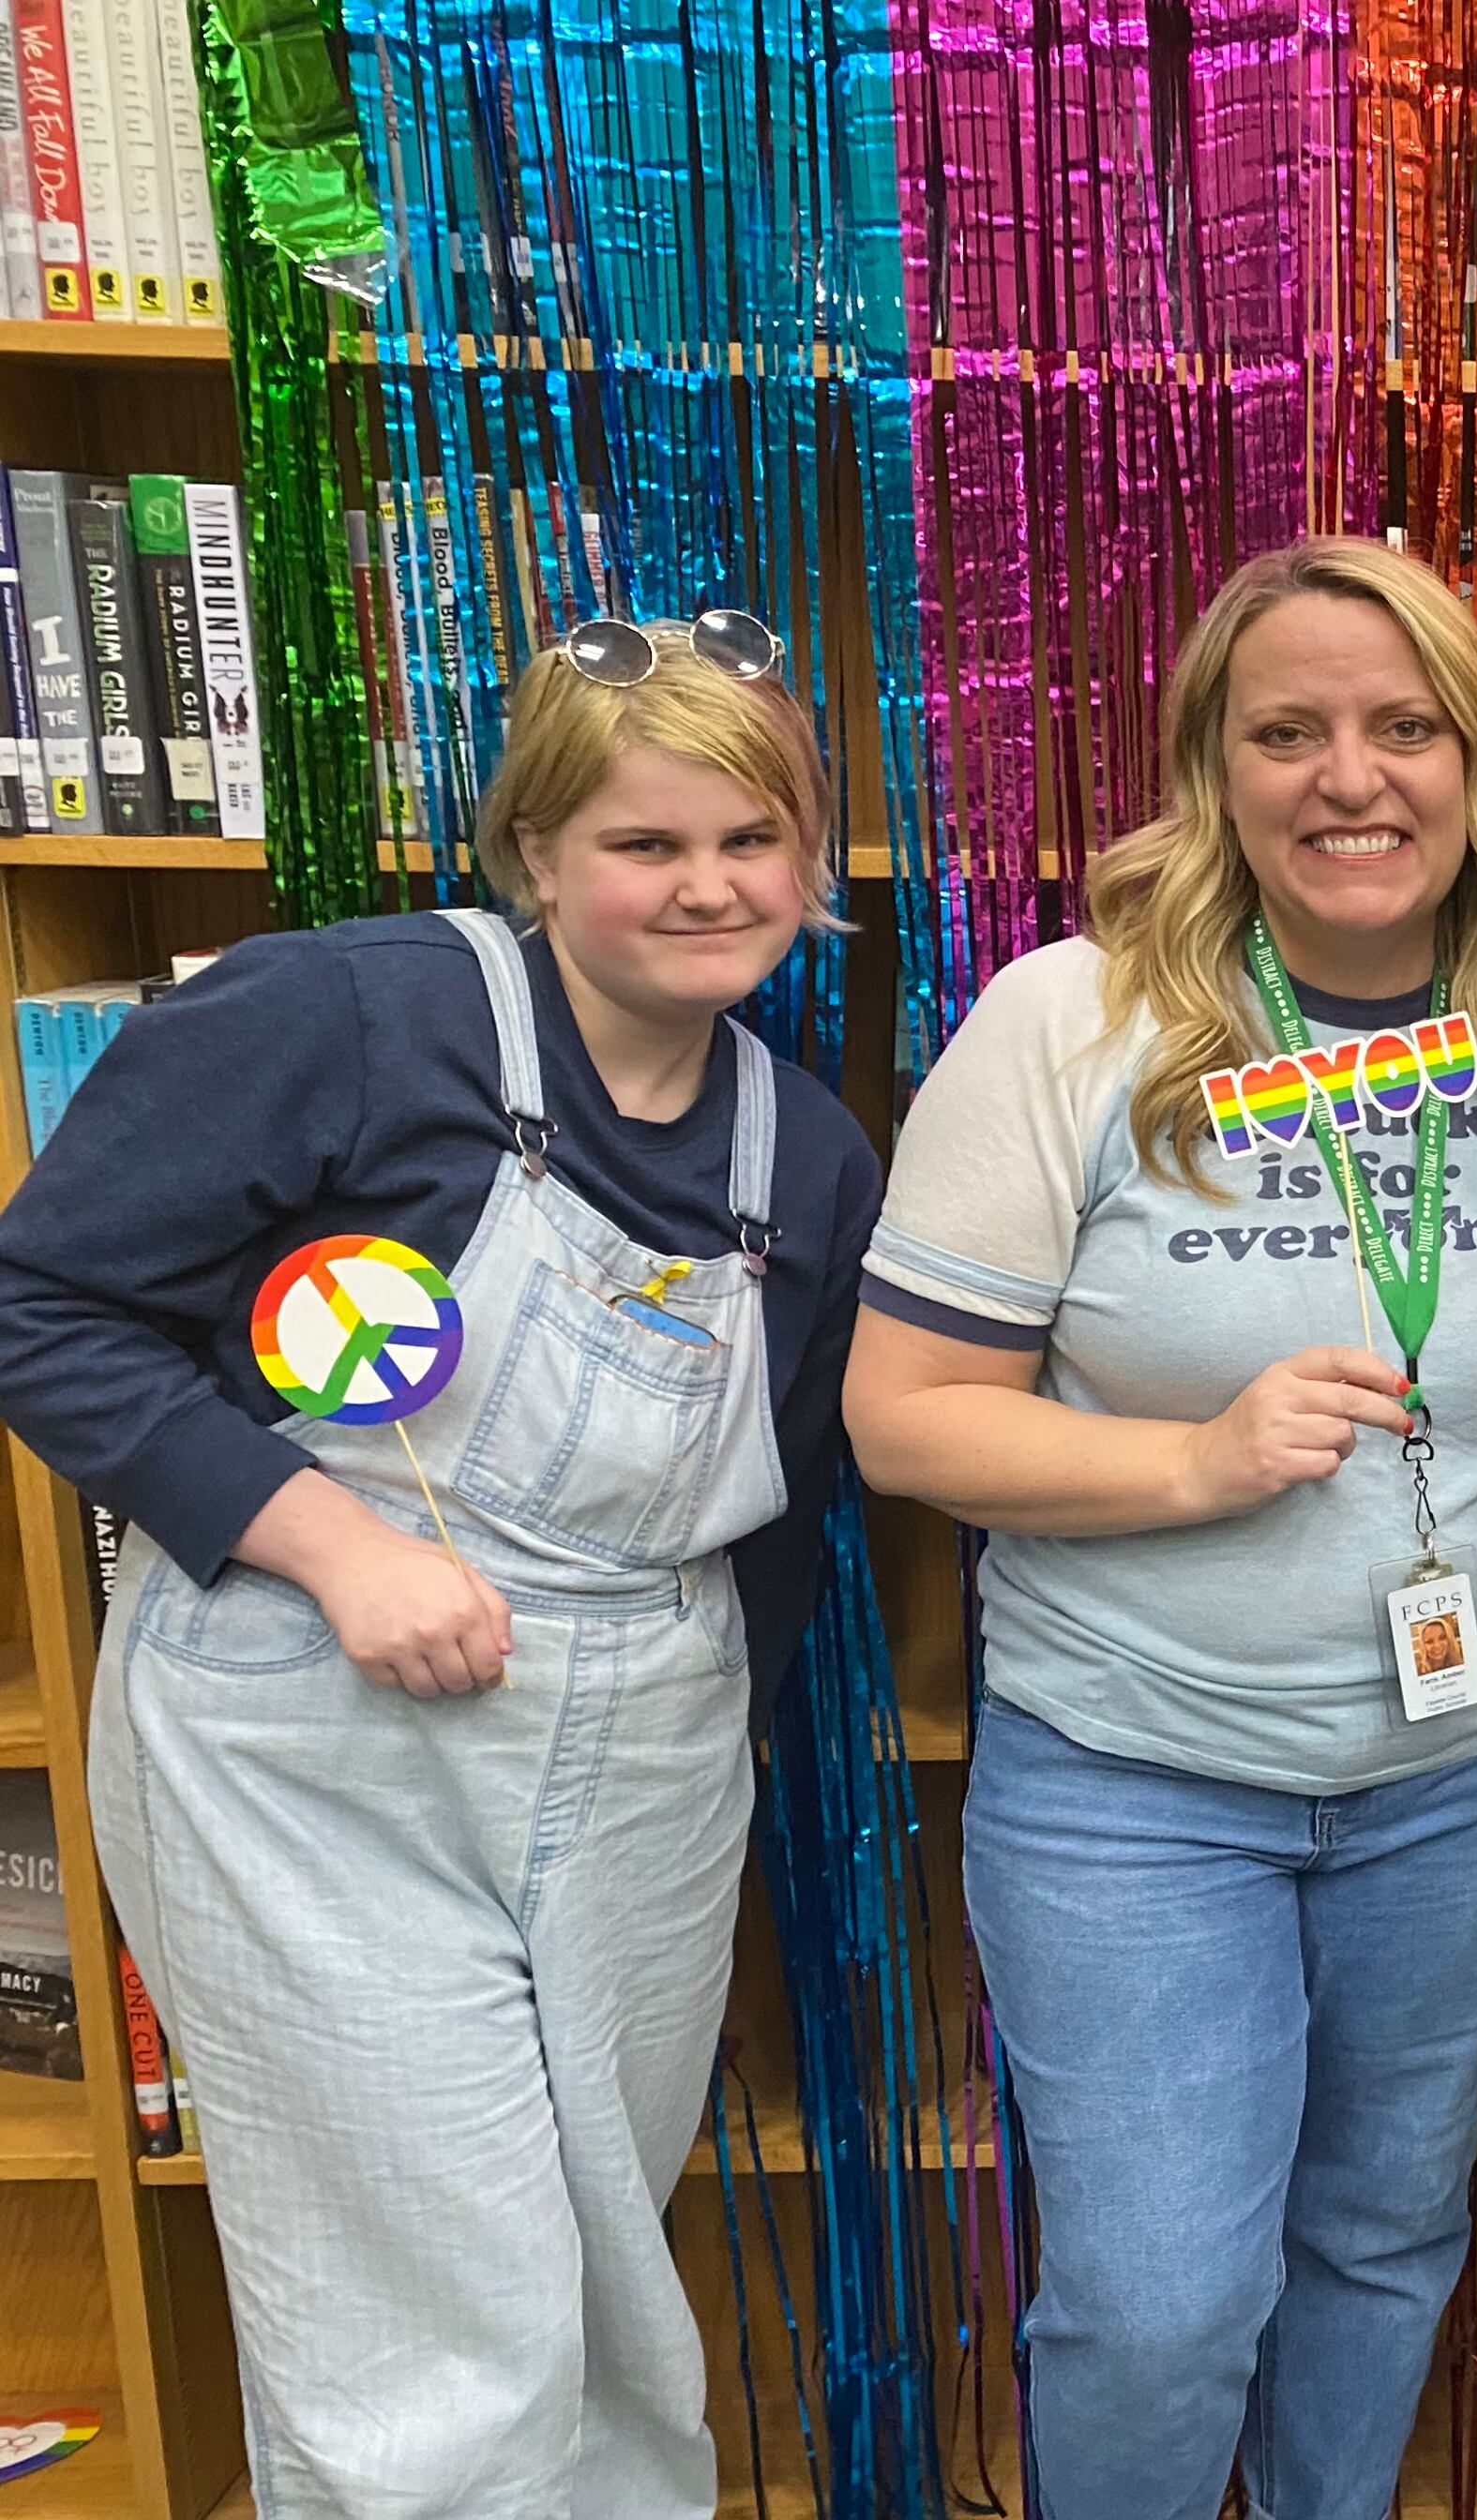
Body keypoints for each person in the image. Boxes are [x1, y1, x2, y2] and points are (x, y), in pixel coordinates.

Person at [0, 611, 881, 2514]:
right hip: (321, 1750)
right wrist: (328, 1543)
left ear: (808, 863)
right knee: (431, 2336)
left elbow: (788, 1505)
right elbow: (42, 1305)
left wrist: (706, 1747)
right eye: (645, 845)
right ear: (536, 852)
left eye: (752, 841)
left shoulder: (804, 1155)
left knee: (605, 2305)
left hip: (644, 1752)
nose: (706, 886)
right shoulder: (344, 1015)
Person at [845, 540, 1477, 2517]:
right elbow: (900, 1417)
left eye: (1405, 726)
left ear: (1476, 758)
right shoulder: (1070, 1022)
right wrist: (1194, 1464)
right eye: (1290, 732)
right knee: (1162, 2305)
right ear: (1212, 769)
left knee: (1381, 2245)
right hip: (1138, 1783)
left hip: (1463, 1772)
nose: (1353, 777)